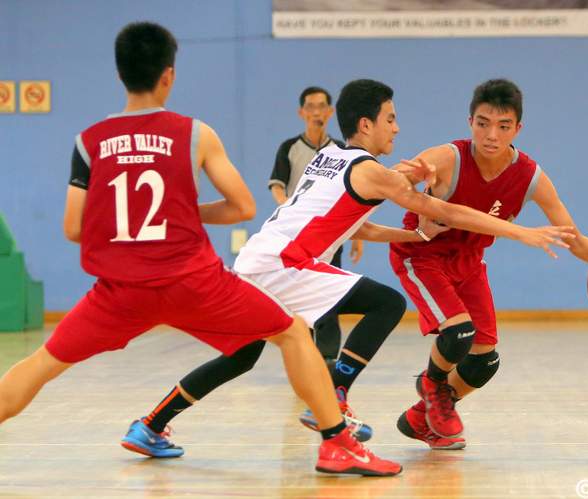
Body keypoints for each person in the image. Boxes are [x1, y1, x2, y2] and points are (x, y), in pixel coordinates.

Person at [0, 22, 402, 477]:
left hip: (120, 292)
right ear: (168, 75)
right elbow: (242, 207)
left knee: (39, 365)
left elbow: (74, 227)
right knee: (291, 334)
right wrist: (184, 215)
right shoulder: (194, 134)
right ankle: (336, 444)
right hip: (195, 283)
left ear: (119, 75)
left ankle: (153, 424)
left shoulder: (88, 143)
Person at [125, 78, 576, 452]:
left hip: (257, 261)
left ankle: (150, 425)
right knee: (385, 303)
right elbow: (451, 212)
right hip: (285, 263)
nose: (397, 129)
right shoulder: (372, 171)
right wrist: (523, 233)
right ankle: (336, 395)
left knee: (239, 359)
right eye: (391, 119)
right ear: (367, 123)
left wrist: (415, 235)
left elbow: (357, 228)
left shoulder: (330, 158)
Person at [390, 78, 588, 450]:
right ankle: (431, 386)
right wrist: (412, 192)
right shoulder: (446, 158)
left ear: (517, 129)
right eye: (483, 123)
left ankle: (420, 418)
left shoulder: (529, 176)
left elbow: (571, 235)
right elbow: (390, 180)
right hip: (422, 256)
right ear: (469, 121)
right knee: (458, 334)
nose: (491, 134)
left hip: (469, 262)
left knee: (484, 360)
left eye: (503, 126)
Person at [268, 86, 363, 364]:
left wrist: (358, 237)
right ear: (302, 113)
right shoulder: (289, 148)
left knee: (328, 297)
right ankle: (305, 358)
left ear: (331, 112)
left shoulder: (342, 152)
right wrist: (289, 208)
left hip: (330, 237)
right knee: (299, 299)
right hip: (296, 237)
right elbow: (277, 187)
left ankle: (329, 361)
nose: (316, 112)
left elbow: (354, 196)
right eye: (310, 106)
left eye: (322, 106)